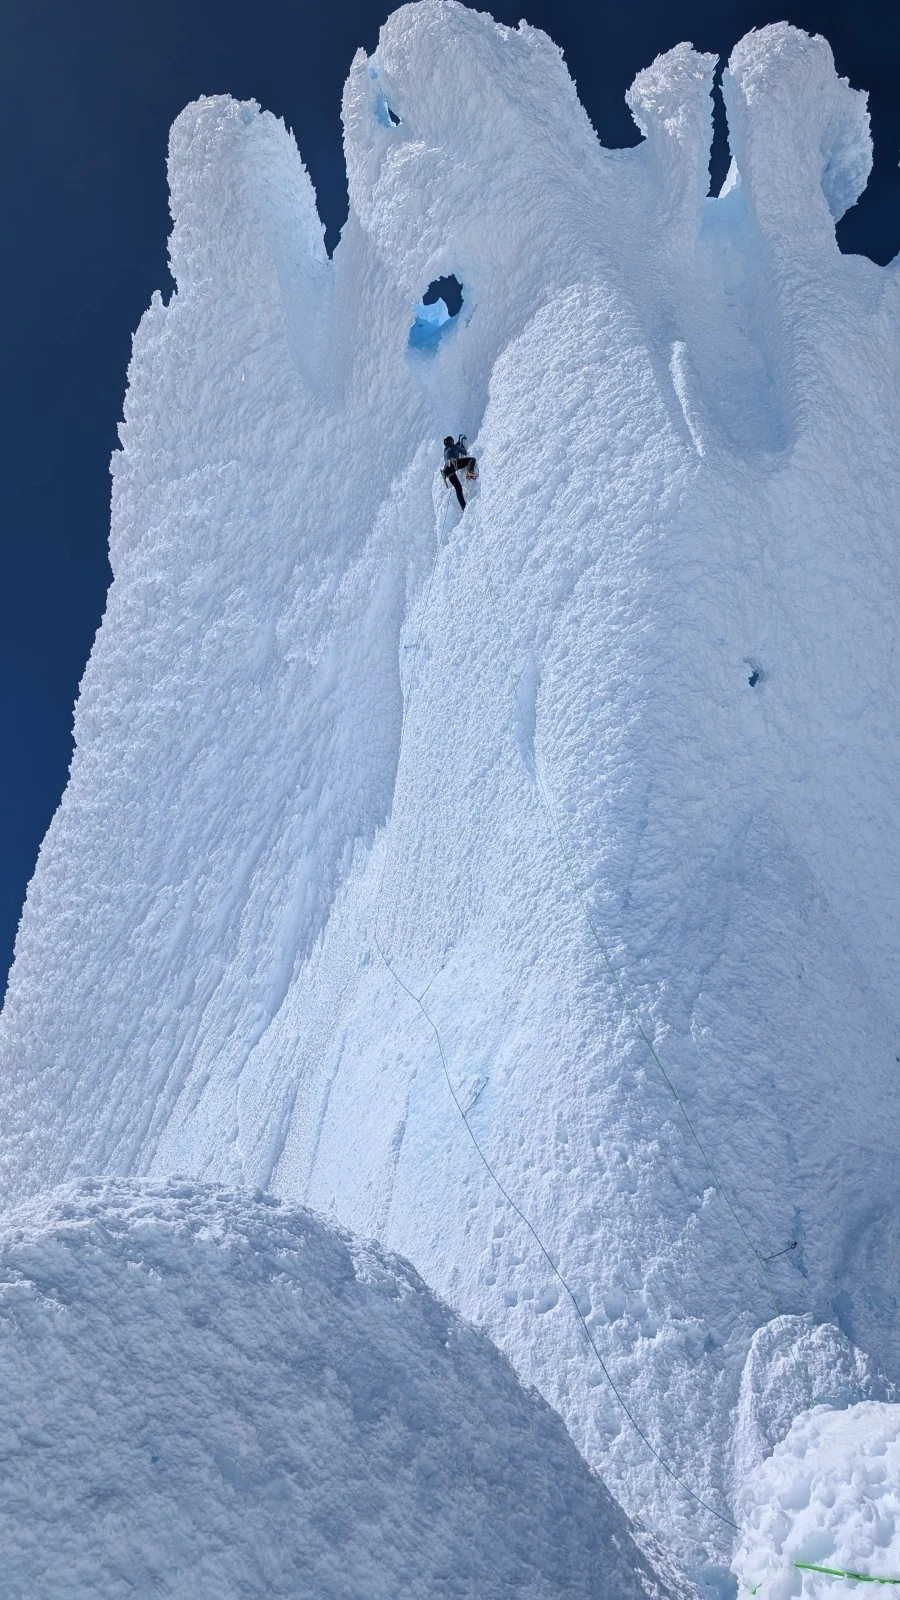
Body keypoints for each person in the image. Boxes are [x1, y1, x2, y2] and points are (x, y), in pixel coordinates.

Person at [441, 434, 478, 510]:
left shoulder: (445, 452)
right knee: (472, 460)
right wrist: (460, 446)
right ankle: (470, 474)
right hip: (455, 463)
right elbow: (464, 452)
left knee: (458, 488)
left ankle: (463, 507)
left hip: (447, 470)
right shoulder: (454, 446)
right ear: (451, 441)